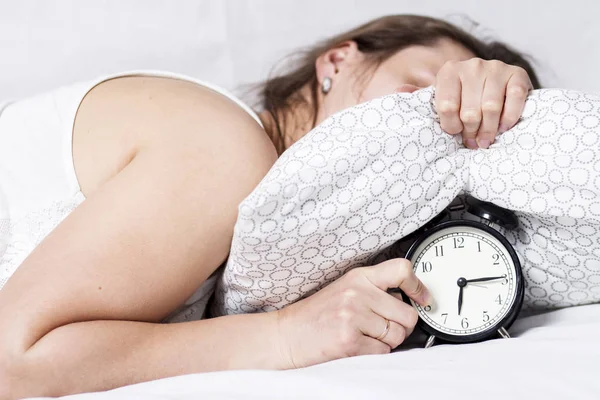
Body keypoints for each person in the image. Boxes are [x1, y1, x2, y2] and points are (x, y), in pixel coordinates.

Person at [0, 14, 540, 399]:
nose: (428, 123)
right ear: (338, 61)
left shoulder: (271, 235)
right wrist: (283, 335)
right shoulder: (224, 145)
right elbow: (13, 365)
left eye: (457, 131)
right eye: (420, 90)